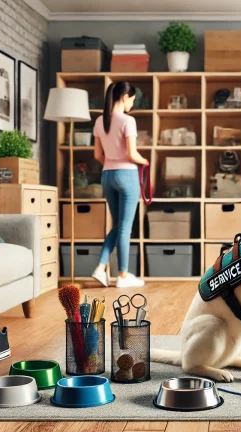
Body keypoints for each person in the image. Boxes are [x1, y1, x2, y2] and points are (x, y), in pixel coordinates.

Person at [90, 81, 149, 287]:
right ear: (125, 97)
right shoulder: (128, 121)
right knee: (125, 228)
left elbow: (98, 155)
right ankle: (123, 275)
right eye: (132, 100)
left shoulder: (99, 121)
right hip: (127, 176)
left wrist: (110, 164)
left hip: (107, 176)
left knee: (118, 226)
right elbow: (132, 154)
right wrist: (145, 161)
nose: (132, 104)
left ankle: (101, 267)